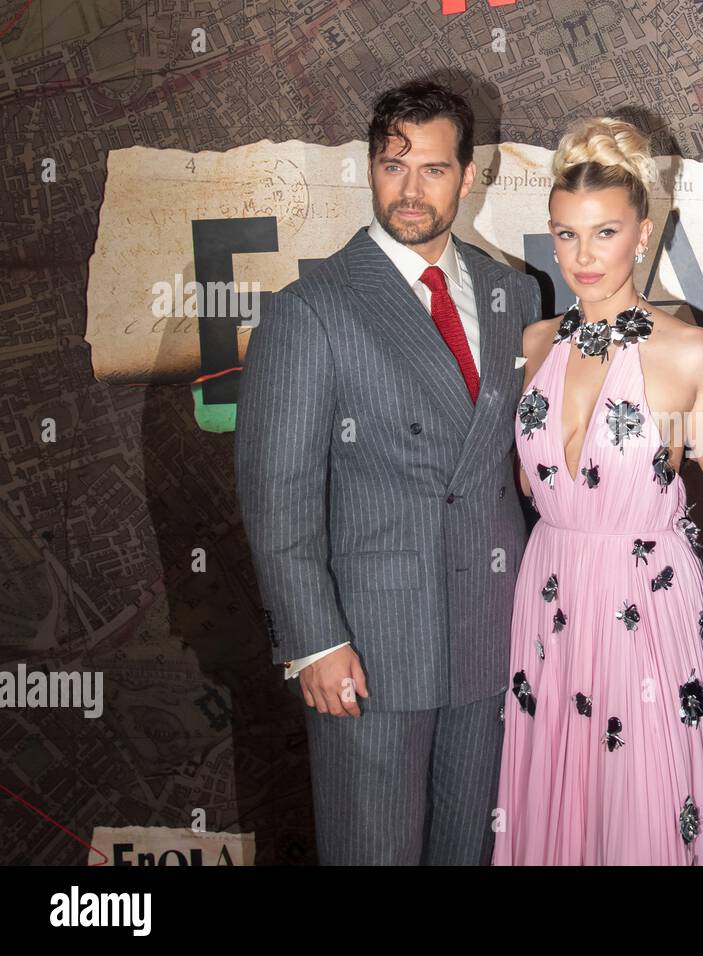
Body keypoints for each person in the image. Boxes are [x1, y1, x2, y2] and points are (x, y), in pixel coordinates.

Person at [234, 79, 540, 864]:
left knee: (468, 850)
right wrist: (313, 640)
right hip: (370, 646)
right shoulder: (313, 306)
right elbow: (277, 497)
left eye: (433, 169)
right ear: (370, 169)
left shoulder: (514, 294)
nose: (411, 190)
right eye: (393, 165)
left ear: (469, 177)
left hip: (491, 630)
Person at [492, 118, 703, 864]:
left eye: (604, 233)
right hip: (550, 597)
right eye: (566, 235)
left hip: (648, 608)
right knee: (558, 805)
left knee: (645, 810)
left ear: (643, 231)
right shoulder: (533, 346)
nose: (582, 256)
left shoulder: (689, 351)